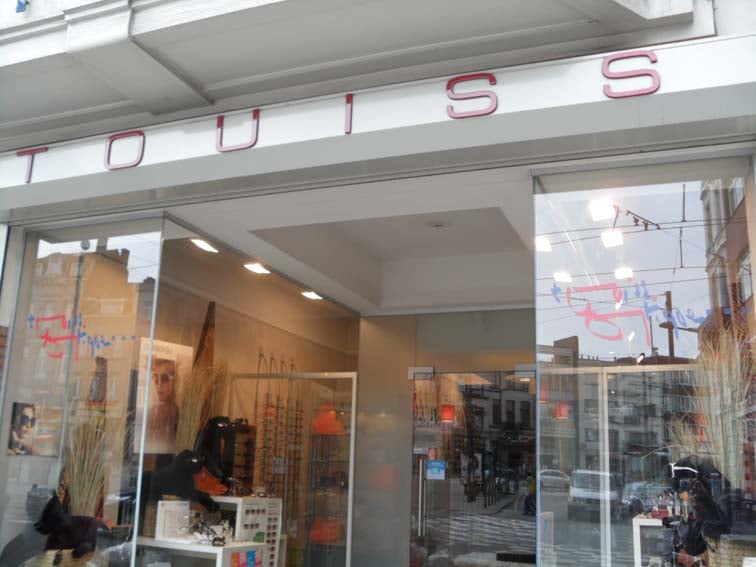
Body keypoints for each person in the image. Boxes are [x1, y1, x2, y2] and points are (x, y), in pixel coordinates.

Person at [147, 358, 179, 452]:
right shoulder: (151, 413)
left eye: (164, 379)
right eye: (156, 379)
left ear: (175, 381)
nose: (159, 385)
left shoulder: (179, 413)